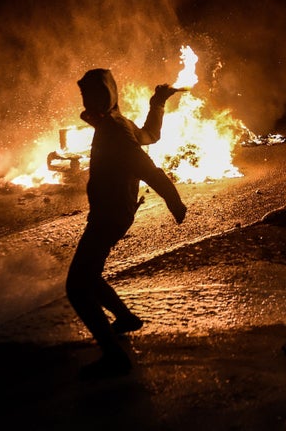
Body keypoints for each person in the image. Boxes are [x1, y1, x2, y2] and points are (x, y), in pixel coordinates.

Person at [66, 68, 187, 380]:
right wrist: (158, 103)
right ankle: (125, 318)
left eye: (93, 95)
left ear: (108, 95)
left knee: (77, 286)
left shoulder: (115, 131)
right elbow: (151, 135)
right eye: (84, 95)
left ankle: (113, 356)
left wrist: (174, 201)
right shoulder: (116, 123)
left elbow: (148, 169)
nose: (87, 101)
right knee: (88, 275)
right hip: (113, 211)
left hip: (110, 215)